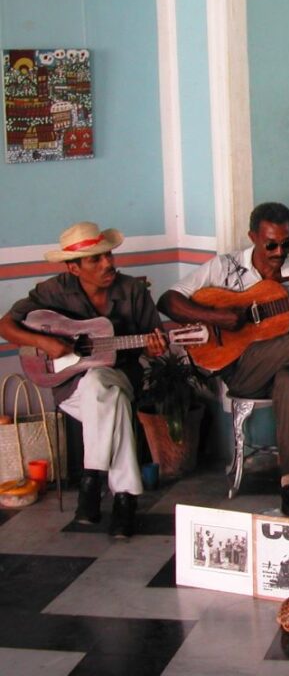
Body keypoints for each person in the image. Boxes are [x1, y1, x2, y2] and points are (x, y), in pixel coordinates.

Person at [157, 202, 289, 517]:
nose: (280, 251)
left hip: (283, 365)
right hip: (237, 368)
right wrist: (217, 317)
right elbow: (167, 301)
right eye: (271, 244)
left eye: (286, 243)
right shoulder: (224, 267)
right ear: (253, 236)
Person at [0, 221, 167, 537]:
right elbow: (5, 326)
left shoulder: (132, 290)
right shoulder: (52, 290)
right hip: (70, 386)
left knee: (102, 385)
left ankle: (91, 481)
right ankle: (124, 501)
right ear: (73, 268)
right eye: (96, 259)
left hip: (123, 377)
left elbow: (152, 342)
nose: (108, 264)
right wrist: (46, 343)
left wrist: (156, 348)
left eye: (109, 255)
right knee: (103, 394)